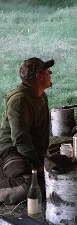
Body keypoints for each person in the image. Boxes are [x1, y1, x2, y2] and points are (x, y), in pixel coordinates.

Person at [0, 57, 53, 204]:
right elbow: (20, 137)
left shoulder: (41, 95)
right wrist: (37, 165)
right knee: (28, 185)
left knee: (52, 175)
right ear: (39, 76)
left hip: (28, 150)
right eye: (47, 71)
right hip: (10, 149)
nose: (51, 72)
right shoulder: (19, 99)